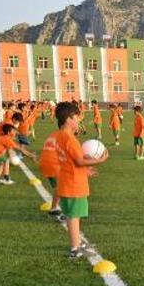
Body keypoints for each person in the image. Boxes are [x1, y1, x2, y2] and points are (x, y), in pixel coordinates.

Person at [54, 102, 109, 258]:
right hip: (74, 184)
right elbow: (79, 161)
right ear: (68, 119)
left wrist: (85, 170)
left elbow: (71, 161)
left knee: (73, 215)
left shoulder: (60, 136)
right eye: (77, 117)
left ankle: (78, 243)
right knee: (73, 216)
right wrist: (99, 161)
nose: (79, 120)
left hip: (67, 180)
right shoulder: (70, 139)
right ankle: (75, 249)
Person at [40, 127, 62, 216]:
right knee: (68, 185)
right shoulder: (65, 136)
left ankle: (54, 208)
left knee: (58, 187)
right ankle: (65, 213)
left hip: (45, 164)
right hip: (54, 164)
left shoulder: (53, 135)